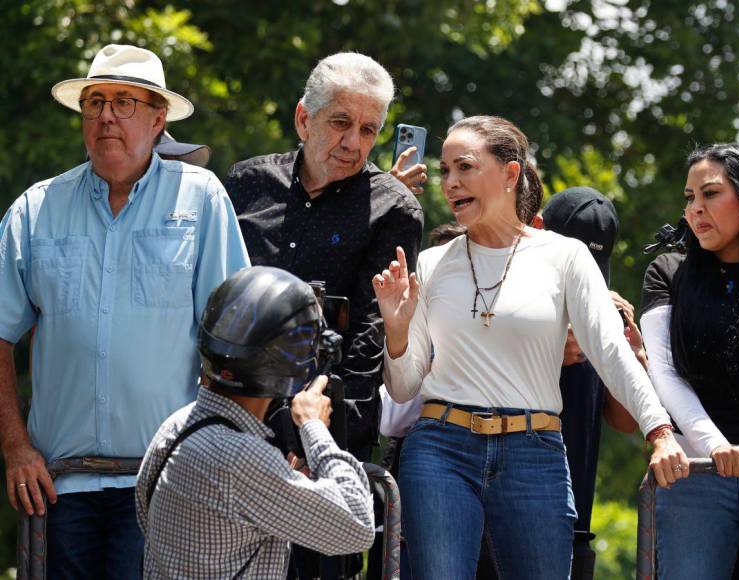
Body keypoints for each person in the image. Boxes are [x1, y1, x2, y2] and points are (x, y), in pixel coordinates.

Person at [372, 115, 687, 580]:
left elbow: (609, 350)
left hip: (533, 450)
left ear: (510, 173)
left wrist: (659, 432)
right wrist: (396, 332)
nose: (450, 184)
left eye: (464, 167)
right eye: (444, 171)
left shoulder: (566, 256)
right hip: (440, 448)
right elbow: (402, 390)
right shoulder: (431, 262)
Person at [0, 44, 249, 577]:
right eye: (95, 103)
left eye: (124, 102)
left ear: (159, 120)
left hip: (167, 484)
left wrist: (225, 459)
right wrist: (15, 448)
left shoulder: (201, 199)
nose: (106, 115)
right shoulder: (36, 208)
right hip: (58, 489)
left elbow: (235, 339)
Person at [224, 51, 422, 579]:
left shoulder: (394, 207)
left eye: (369, 129)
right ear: (303, 118)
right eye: (340, 122)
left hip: (323, 439)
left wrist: (320, 445)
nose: (354, 143)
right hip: (229, 431)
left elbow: (366, 340)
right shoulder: (243, 185)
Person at [136, 266, 374, 578]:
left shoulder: (175, 426)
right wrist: (313, 426)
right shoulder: (242, 459)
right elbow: (358, 525)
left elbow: (147, 515)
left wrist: (279, 481)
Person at [640, 143, 739, 579]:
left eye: (710, 194)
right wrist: (714, 448)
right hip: (696, 473)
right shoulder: (667, 271)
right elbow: (664, 374)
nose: (695, 209)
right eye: (689, 197)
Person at [539, 186, 638, 580]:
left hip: (575, 518)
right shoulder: (512, 301)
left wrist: (632, 354)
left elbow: (626, 421)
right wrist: (548, 347)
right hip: (501, 511)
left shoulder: (603, 314)